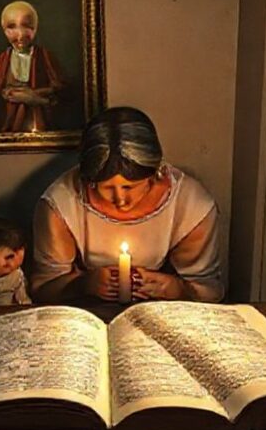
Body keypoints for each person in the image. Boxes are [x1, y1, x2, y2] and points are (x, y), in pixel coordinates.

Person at [31, 106, 224, 304]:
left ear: (154, 172)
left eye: (130, 187)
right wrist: (82, 284)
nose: (121, 200)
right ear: (89, 180)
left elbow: (209, 292)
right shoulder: (61, 204)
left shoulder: (191, 206)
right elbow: (43, 289)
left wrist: (177, 289)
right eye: (105, 188)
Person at [0, 0, 66, 133]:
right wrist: (4, 93)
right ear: (3, 30)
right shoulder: (1, 61)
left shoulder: (46, 58)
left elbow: (62, 95)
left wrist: (34, 99)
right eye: (11, 27)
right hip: (8, 122)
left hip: (38, 123)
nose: (20, 35)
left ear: (35, 28)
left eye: (27, 26)